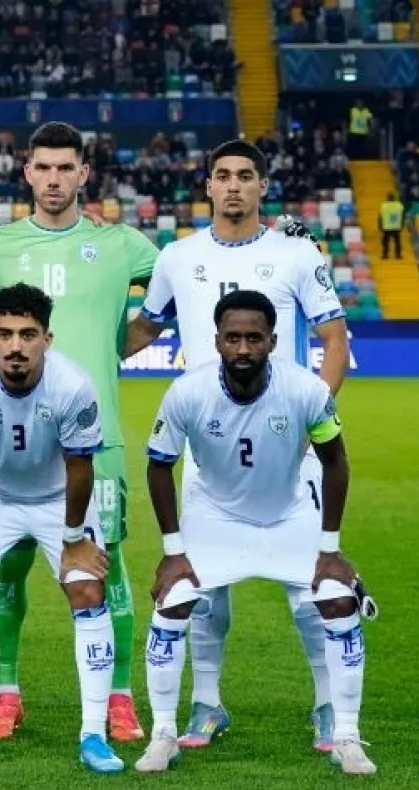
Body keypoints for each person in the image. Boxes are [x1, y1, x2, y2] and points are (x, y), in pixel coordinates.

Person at [0, 121, 157, 742]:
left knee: (106, 568)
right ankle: (6, 693)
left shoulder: (123, 244)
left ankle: (120, 698)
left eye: (65, 167)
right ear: (26, 173)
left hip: (94, 442)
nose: (53, 178)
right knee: (6, 567)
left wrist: (124, 342)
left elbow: (181, 286)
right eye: (42, 167)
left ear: (83, 173)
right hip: (9, 446)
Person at [125, 139, 351, 752]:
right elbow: (145, 328)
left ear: (262, 186)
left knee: (310, 589)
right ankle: (207, 704)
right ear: (207, 185)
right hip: (209, 443)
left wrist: (313, 420)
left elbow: (335, 341)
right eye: (222, 175)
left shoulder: (296, 252)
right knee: (202, 589)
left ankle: (328, 707)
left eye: (245, 176)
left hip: (287, 443)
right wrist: (85, 346)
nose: (233, 185)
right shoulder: (177, 257)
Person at [135, 289, 374, 775]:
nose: (243, 348)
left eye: (254, 338)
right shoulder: (187, 392)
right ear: (217, 341)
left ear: (272, 341)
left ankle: (345, 732)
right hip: (215, 515)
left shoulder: (306, 390)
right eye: (233, 338)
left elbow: (336, 462)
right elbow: (158, 467)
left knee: (335, 600)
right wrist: (173, 551)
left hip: (289, 512)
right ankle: (164, 733)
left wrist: (330, 548)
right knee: (175, 601)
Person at [0, 283, 121, 774]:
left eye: (28, 334)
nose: (16, 346)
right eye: (6, 334)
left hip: (59, 498)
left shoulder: (73, 386)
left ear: (46, 340)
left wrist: (74, 540)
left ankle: (94, 736)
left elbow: (80, 468)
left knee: (88, 589)